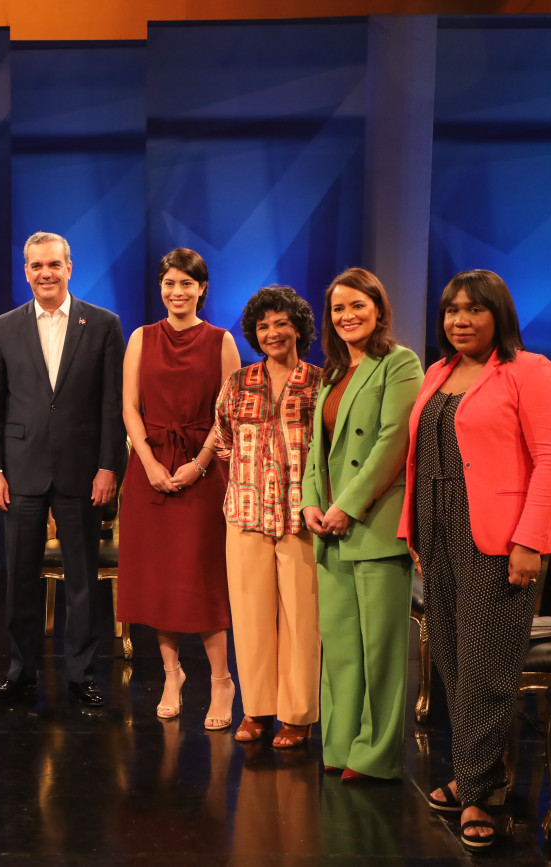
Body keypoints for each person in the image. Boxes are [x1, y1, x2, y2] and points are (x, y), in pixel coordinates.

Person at [399, 270, 551, 851]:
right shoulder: (438, 372)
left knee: (486, 667)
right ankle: (482, 776)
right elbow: (421, 457)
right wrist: (416, 531)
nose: (460, 320)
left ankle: (477, 795)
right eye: (452, 310)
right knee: (452, 658)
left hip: (496, 539)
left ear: (499, 314)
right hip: (437, 529)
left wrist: (530, 540)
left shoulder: (529, 370)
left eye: (474, 309)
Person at [0, 231, 126, 707]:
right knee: (19, 579)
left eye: (54, 265)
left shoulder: (103, 324)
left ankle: (81, 675)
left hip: (82, 472)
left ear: (69, 268)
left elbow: (112, 405)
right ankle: (20, 673)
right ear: (26, 272)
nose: (46, 273)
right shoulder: (3, 327)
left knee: (82, 580)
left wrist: (108, 466)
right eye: (37, 266)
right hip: (20, 472)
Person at [300, 267, 423, 781]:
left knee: (380, 652)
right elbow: (317, 450)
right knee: (342, 649)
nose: (347, 316)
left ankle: (375, 756)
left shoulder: (399, 363)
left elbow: (395, 440)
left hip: (373, 525)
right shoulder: (331, 373)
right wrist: (309, 502)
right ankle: (340, 745)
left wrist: (347, 506)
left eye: (358, 305)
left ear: (379, 309)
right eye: (338, 308)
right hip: (328, 530)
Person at [116, 248, 239, 729]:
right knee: (159, 579)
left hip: (203, 469)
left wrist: (200, 464)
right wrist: (147, 462)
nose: (177, 291)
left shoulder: (221, 341)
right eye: (169, 282)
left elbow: (227, 414)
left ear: (202, 288)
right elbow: (130, 408)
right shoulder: (141, 338)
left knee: (201, 576)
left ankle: (222, 680)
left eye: (187, 283)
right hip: (149, 468)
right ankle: (172, 675)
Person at [212, 285, 324, 746]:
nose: (273, 332)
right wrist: (248, 478)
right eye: (263, 326)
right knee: (250, 617)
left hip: (302, 517)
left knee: (302, 619)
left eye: (281, 323)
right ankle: (256, 709)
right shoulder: (239, 381)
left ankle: (297, 715)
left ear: (298, 328)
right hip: (246, 513)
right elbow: (222, 437)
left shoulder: (321, 382)